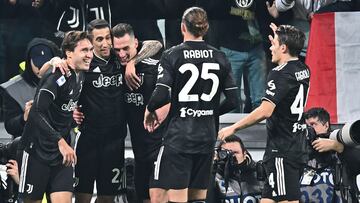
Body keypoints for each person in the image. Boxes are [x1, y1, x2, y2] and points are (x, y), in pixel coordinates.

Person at [144, 7, 239, 202]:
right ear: (206, 28)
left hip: (180, 138)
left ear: (182, 27)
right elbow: (233, 101)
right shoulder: (220, 57)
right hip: (206, 138)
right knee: (198, 199)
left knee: (176, 197)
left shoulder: (172, 55)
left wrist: (150, 108)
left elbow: (161, 94)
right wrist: (210, 112)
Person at [218, 23, 309, 203]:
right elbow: (288, 50)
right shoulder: (303, 69)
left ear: (283, 47)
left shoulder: (279, 74)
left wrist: (233, 128)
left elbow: (265, 111)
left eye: (274, 43)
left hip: (282, 151)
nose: (270, 47)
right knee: (267, 199)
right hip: (296, 145)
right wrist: (281, 36)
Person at [18, 30, 93, 203]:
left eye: (90, 50)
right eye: (84, 50)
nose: (89, 55)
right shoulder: (56, 76)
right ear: (68, 53)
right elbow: (36, 113)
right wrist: (61, 141)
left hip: (61, 154)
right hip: (36, 150)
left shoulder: (80, 73)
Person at [112, 23, 169, 203]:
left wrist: (133, 62)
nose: (121, 54)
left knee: (158, 197)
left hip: (160, 146)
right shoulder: (114, 64)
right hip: (139, 151)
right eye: (117, 50)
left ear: (136, 42)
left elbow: (156, 44)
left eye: (126, 49)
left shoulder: (154, 64)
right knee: (143, 195)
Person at [1, 38, 61, 139]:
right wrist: (24, 118)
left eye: (44, 65)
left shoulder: (66, 81)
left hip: (62, 146)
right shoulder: (12, 89)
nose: (40, 69)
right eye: (37, 63)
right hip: (27, 146)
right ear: (29, 61)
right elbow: (10, 126)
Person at [304, 107, 360, 202]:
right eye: (306, 126)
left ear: (326, 125)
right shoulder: (300, 147)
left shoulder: (342, 144)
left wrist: (338, 147)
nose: (309, 129)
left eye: (313, 124)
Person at [207, 135, 264, 203]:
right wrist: (212, 170)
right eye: (227, 153)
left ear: (244, 154)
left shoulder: (260, 170)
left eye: (235, 152)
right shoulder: (215, 175)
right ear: (219, 155)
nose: (232, 156)